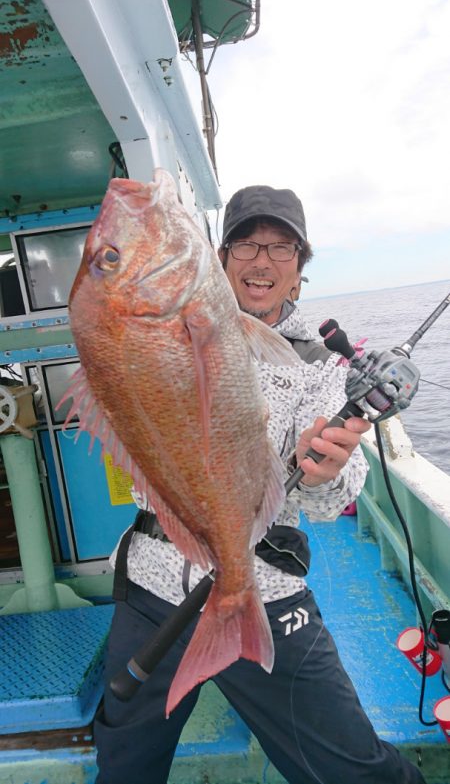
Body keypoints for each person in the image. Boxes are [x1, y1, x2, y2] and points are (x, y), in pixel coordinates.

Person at [94, 185, 426, 784]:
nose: (262, 260)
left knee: (354, 767)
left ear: (299, 271)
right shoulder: (169, 321)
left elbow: (331, 496)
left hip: (260, 590)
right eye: (246, 243)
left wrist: (325, 469)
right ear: (220, 259)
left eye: (281, 248)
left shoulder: (322, 362)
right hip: (153, 585)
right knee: (122, 759)